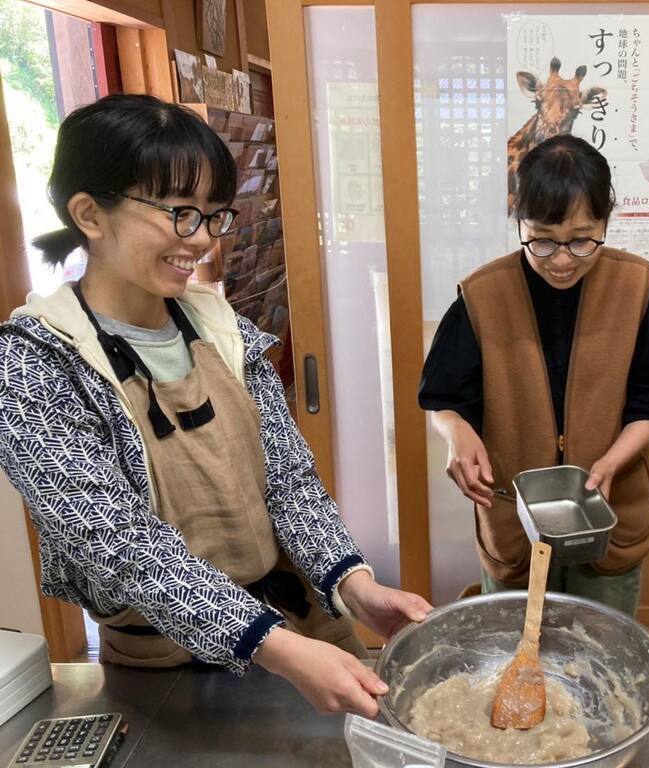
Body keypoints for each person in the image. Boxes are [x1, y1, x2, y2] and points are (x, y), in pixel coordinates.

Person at [0, 94, 432, 717]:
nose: (201, 240)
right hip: (169, 670)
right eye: (180, 214)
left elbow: (287, 479)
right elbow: (117, 542)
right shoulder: (36, 361)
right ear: (90, 214)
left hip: (301, 629)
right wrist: (271, 646)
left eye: (212, 215)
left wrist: (353, 586)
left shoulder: (220, 327)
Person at [419, 135, 649, 615]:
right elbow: (445, 398)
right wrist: (455, 433)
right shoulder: (483, 295)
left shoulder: (636, 286)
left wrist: (614, 461)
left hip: (610, 516)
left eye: (581, 239)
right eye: (542, 239)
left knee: (601, 657)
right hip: (516, 523)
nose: (560, 260)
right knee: (513, 657)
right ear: (520, 223)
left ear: (605, 221)